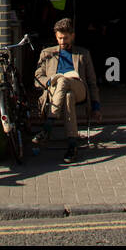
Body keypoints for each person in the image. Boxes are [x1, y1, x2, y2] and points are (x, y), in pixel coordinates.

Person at [33, 17, 103, 163]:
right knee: (67, 96)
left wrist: (96, 106)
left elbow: (91, 82)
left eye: (65, 38)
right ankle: (72, 145)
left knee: (65, 81)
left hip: (79, 89)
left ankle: (48, 126)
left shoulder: (83, 54)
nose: (62, 42)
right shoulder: (47, 53)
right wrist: (50, 81)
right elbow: (38, 77)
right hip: (55, 90)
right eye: (59, 38)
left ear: (73, 36)